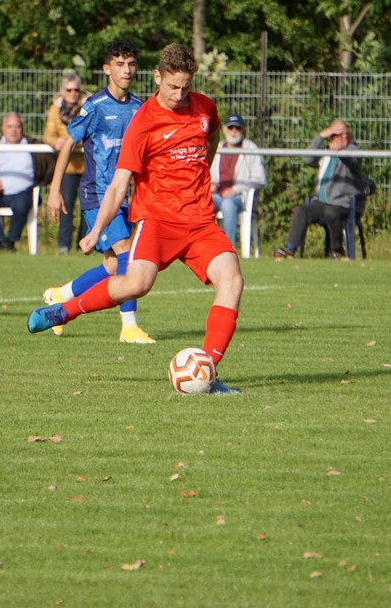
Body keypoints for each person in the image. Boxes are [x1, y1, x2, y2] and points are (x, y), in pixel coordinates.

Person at [29, 43, 244, 393]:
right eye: (172, 86)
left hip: (200, 221)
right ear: (157, 77)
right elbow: (119, 184)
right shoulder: (143, 121)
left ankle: (207, 371)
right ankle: (66, 310)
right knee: (136, 283)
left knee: (232, 280)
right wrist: (96, 230)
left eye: (186, 87)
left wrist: (201, 168)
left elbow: (213, 134)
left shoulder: (205, 108)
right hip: (157, 219)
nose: (179, 95)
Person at [42, 39, 154, 344]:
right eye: (119, 64)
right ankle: (129, 327)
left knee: (112, 265)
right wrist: (55, 190)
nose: (126, 70)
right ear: (107, 69)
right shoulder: (94, 106)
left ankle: (60, 297)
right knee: (127, 254)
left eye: (131, 64)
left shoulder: (139, 108)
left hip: (122, 197)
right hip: (96, 195)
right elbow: (68, 143)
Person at [274, 119, 364, 260]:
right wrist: (321, 135)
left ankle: (336, 251)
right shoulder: (324, 152)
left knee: (331, 212)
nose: (341, 138)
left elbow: (352, 161)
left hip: (343, 204)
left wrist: (339, 152)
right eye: (337, 134)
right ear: (330, 137)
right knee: (302, 211)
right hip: (321, 203)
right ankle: (289, 249)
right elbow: (307, 159)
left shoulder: (353, 150)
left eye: (344, 134)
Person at [0, 111, 54, 251]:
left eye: (17, 126)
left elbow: (52, 164)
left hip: (22, 193)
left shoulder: (33, 146)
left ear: (22, 128)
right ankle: (0, 241)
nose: (13, 130)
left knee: (22, 205)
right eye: (9, 127)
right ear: (3, 128)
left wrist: (40, 182)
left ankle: (10, 241)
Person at [43, 70, 88, 255]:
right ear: (62, 91)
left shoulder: (88, 106)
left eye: (76, 90)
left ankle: (84, 244)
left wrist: (76, 141)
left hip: (87, 165)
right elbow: (48, 135)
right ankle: (63, 245)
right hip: (67, 166)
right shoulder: (55, 110)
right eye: (69, 90)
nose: (73, 94)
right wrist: (57, 142)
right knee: (66, 204)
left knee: (88, 205)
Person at [211, 112, 266, 246]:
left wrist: (235, 190)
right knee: (203, 203)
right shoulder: (217, 147)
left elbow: (260, 178)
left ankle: (229, 248)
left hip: (241, 197)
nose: (234, 131)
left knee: (228, 204)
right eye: (230, 127)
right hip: (216, 194)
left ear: (243, 129)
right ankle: (204, 246)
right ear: (224, 129)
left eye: (238, 128)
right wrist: (209, 184)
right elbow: (205, 172)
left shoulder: (250, 148)